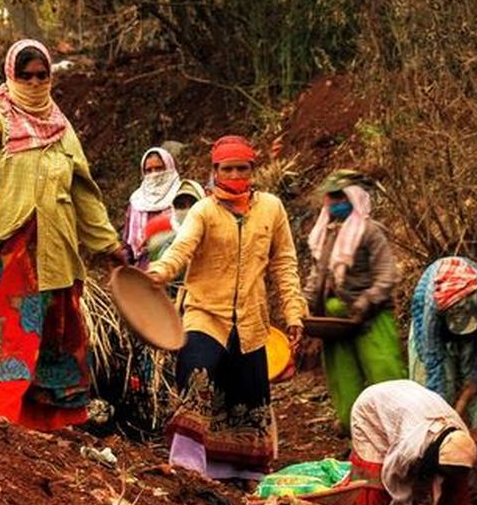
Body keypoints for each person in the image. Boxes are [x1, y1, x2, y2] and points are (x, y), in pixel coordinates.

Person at [0, 39, 127, 430]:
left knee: (56, 333)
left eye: (41, 76)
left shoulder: (62, 128)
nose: (33, 83)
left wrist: (108, 244)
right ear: (10, 76)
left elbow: (84, 192)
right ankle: (0, 412)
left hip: (58, 250)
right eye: (25, 76)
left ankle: (49, 421)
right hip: (15, 245)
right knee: (11, 329)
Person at [148, 135, 306, 482]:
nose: (235, 175)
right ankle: (187, 466)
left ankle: (239, 470)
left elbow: (284, 263)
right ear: (215, 171)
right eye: (227, 168)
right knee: (197, 373)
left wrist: (294, 311)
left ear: (253, 170)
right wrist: (159, 273)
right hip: (205, 311)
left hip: (251, 315)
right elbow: (181, 248)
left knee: (246, 389)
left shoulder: (271, 209)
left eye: (242, 168)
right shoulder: (204, 210)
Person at [303, 169, 405, 434]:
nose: (335, 203)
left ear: (355, 197)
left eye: (341, 197)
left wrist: (365, 302)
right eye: (331, 198)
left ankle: (395, 432)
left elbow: (387, 274)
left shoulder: (370, 232)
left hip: (372, 318)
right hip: (333, 321)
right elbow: (318, 274)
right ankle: (356, 434)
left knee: (385, 375)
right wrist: (304, 305)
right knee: (343, 381)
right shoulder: (325, 234)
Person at [348, 379, 477, 505]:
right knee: (374, 483)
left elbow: (445, 477)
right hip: (373, 409)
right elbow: (396, 484)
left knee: (456, 483)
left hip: (410, 405)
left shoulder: (462, 439)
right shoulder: (410, 448)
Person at [408, 257, 477, 427]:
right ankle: (434, 433)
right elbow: (433, 361)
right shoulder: (432, 311)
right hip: (432, 333)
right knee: (432, 395)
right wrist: (441, 411)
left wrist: (474, 380)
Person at [123, 147, 184, 267]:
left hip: (177, 268)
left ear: (169, 167)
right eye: (149, 170)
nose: (154, 174)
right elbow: (127, 244)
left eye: (159, 168)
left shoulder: (182, 195)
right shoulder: (137, 201)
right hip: (143, 271)